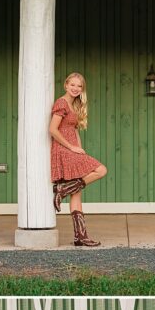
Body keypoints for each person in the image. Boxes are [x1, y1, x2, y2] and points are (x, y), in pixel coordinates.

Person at [49, 72, 107, 247]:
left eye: (79, 86)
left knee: (77, 193)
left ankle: (80, 237)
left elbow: (74, 130)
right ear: (66, 85)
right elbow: (53, 129)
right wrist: (72, 147)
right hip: (64, 150)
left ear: (82, 89)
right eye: (72, 85)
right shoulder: (61, 103)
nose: (75, 88)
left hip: (74, 149)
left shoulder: (75, 104)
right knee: (101, 170)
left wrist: (80, 149)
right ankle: (63, 189)